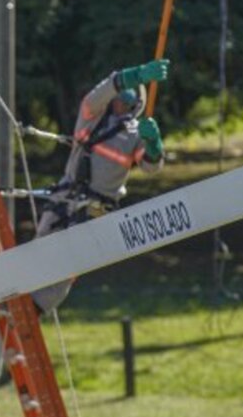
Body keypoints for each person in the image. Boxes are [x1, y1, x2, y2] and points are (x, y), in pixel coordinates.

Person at [32, 59, 170, 314]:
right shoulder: (90, 117)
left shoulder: (136, 134)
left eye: (127, 104)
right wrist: (135, 75)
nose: (120, 107)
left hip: (96, 208)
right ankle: (19, 294)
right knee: (43, 245)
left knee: (70, 262)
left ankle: (35, 308)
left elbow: (152, 167)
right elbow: (99, 93)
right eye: (118, 101)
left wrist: (154, 144)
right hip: (66, 195)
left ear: (136, 107)